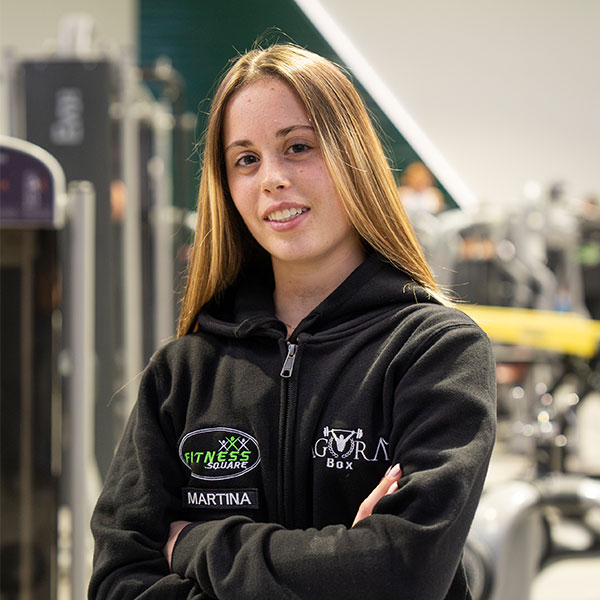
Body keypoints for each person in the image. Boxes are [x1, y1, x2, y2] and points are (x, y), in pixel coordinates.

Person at [89, 44, 496, 599]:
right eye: (246, 160)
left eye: (298, 147)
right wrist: (343, 563)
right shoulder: (183, 373)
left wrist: (195, 545)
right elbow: (117, 584)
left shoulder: (435, 352)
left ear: (354, 156)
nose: (272, 178)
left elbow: (403, 573)